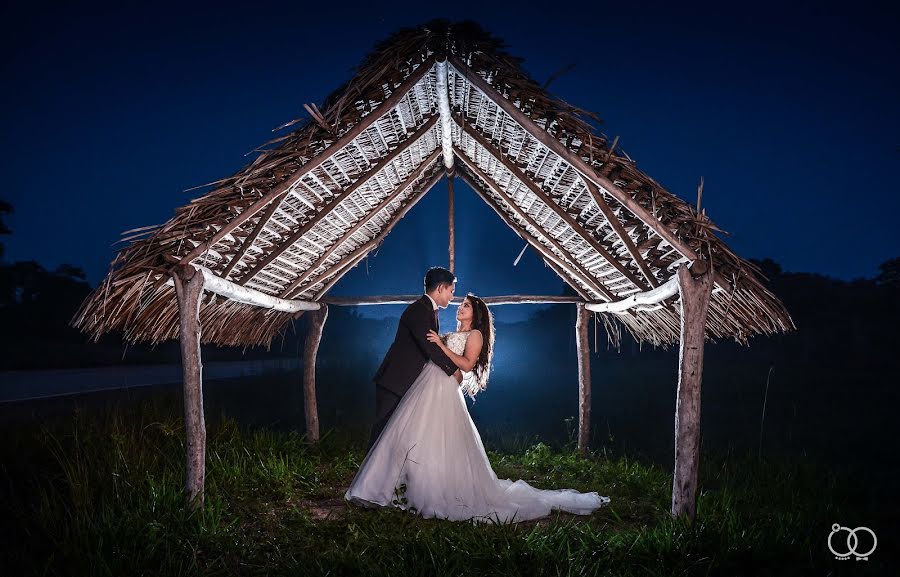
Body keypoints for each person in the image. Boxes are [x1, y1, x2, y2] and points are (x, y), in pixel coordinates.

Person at [346, 291, 611, 523]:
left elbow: (467, 365)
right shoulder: (454, 332)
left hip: (444, 390)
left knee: (436, 437)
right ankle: (394, 486)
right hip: (427, 387)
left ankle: (434, 491)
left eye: (466, 306)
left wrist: (441, 345)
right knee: (413, 436)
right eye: (460, 304)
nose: (460, 307)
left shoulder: (475, 335)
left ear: (477, 314)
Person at [367, 266, 462, 452]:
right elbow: (429, 347)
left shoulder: (428, 310)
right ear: (441, 288)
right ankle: (368, 479)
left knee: (397, 432)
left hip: (407, 382)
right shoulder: (419, 310)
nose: (452, 297)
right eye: (451, 291)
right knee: (382, 432)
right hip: (394, 380)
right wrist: (453, 370)